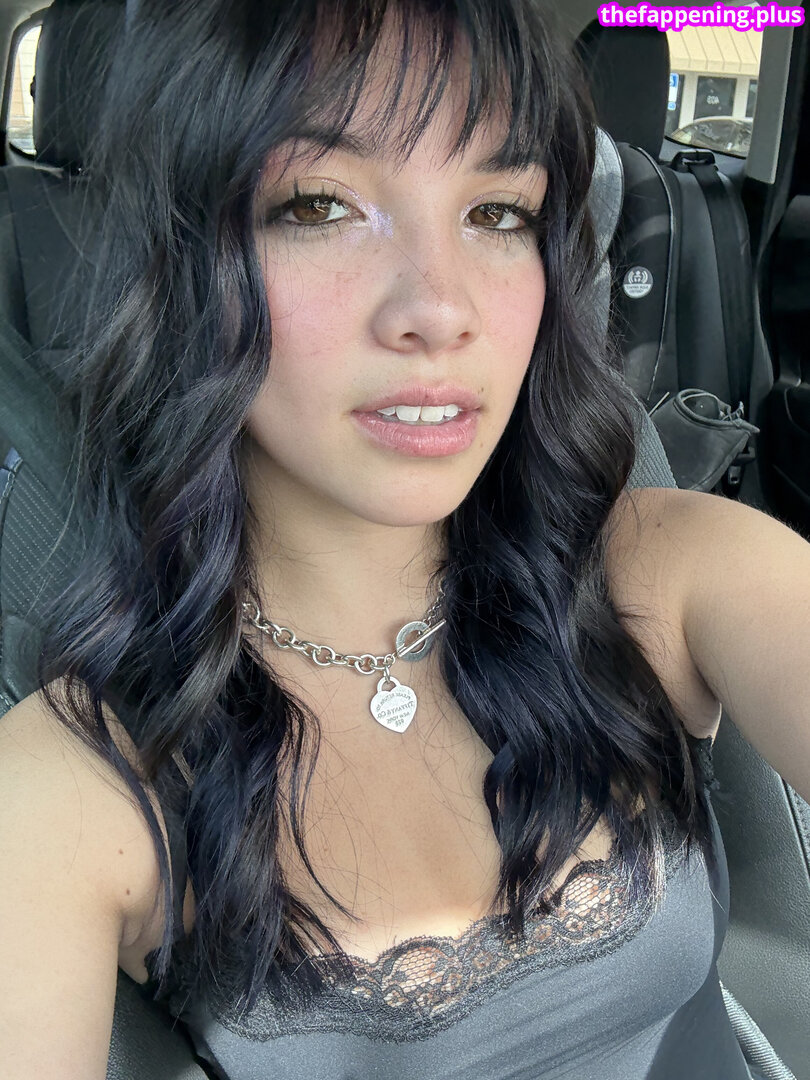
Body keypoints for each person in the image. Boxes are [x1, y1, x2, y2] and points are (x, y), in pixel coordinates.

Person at [2, 1, 805, 1078]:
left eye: (498, 213)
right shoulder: (75, 784)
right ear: (185, 259)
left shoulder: (674, 574)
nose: (440, 308)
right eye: (319, 204)